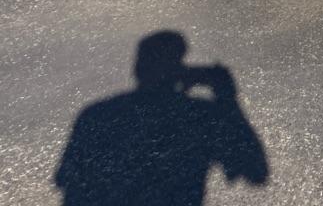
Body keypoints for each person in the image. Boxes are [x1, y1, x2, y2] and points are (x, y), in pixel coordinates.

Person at [55, 31, 268, 205]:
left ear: (137, 68)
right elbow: (255, 171)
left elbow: (68, 182)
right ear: (181, 69)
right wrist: (227, 99)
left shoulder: (99, 115)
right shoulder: (200, 115)